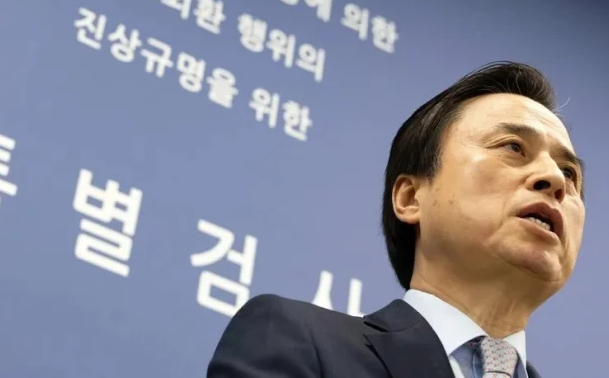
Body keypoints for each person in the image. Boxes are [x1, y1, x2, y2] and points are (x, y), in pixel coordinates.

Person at [207, 61, 586, 378]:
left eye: (570, 173)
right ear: (410, 198)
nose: (554, 179)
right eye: (513, 147)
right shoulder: (299, 339)